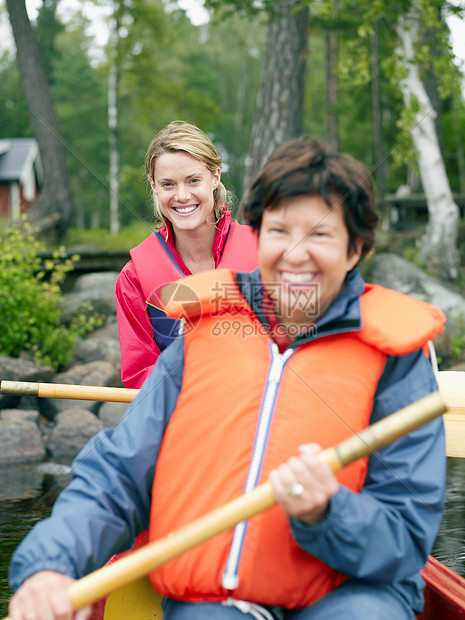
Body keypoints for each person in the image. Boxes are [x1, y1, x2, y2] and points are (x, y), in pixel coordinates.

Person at [9, 136, 447, 620]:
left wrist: (330, 511)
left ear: (355, 249)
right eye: (279, 232)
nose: (296, 254)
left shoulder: (397, 358)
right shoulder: (202, 335)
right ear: (259, 237)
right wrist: (51, 564)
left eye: (320, 235)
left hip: (351, 590)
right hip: (223, 596)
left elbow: (407, 536)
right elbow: (118, 474)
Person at [115, 120, 259, 388]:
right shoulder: (133, 279)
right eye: (168, 184)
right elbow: (141, 376)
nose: (182, 196)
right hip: (186, 419)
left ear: (215, 177)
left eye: (193, 181)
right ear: (154, 185)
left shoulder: (266, 252)